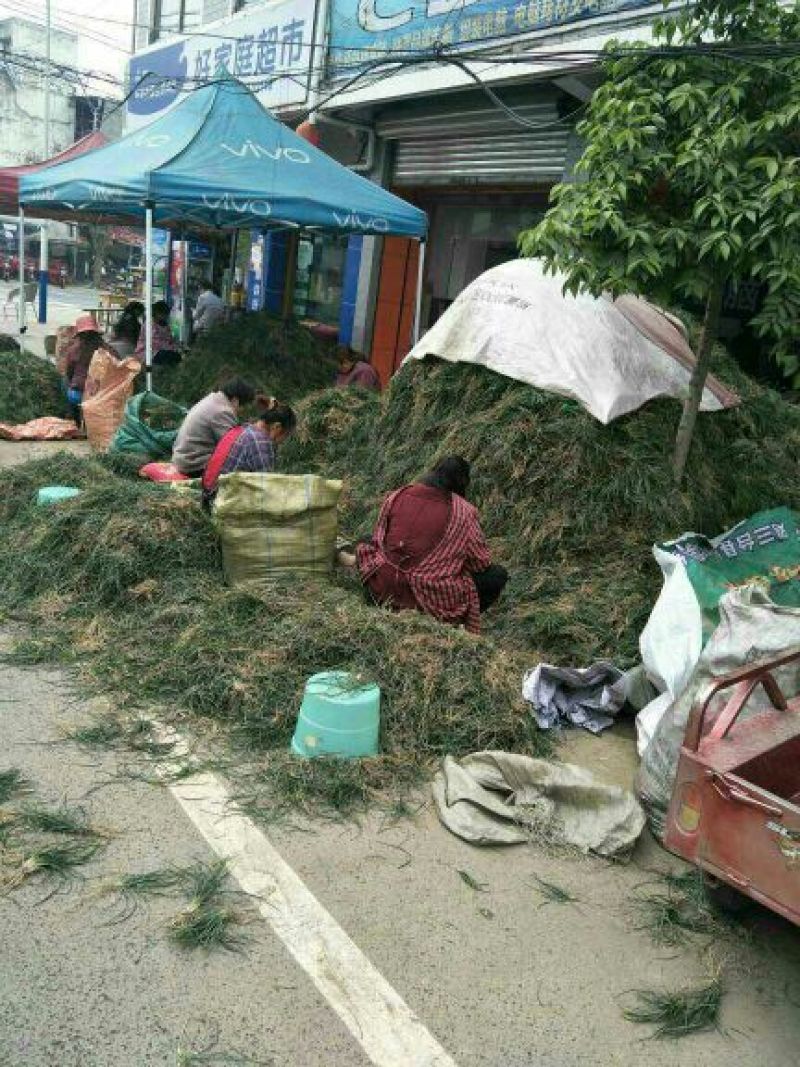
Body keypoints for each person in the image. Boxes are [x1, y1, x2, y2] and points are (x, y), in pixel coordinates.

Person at [344, 456, 507, 634]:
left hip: (382, 588)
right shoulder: (464, 512)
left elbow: (378, 539)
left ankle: (372, 588)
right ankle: (452, 626)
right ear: (462, 482)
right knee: (496, 576)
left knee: (365, 541)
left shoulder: (398, 494)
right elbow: (480, 563)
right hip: (425, 599)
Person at [201, 400, 296, 507]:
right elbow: (269, 488)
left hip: (208, 496)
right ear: (277, 427)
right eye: (286, 436)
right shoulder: (261, 441)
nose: (283, 441)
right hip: (220, 502)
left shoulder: (243, 429)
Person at [171, 376, 256, 477]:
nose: (242, 411)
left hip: (184, 458)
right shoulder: (222, 411)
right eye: (244, 406)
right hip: (194, 464)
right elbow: (235, 446)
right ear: (235, 400)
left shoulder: (213, 400)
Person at [63, 314, 106, 423]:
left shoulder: (73, 350)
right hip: (100, 394)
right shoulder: (107, 350)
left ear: (79, 335)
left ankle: (72, 416)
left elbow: (69, 373)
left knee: (64, 381)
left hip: (77, 395)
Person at [135, 301, 182, 367]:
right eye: (163, 314)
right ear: (157, 313)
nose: (165, 317)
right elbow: (154, 343)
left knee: (176, 356)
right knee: (169, 355)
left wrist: (177, 346)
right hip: (147, 352)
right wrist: (171, 348)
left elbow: (170, 340)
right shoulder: (149, 324)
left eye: (166, 314)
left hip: (162, 350)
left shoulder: (165, 325)